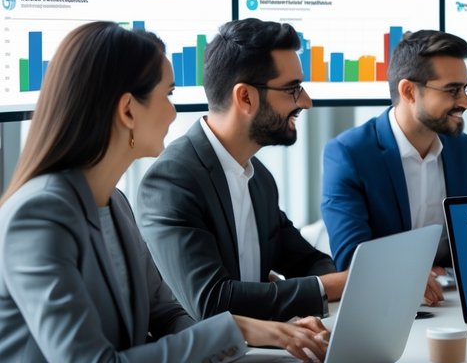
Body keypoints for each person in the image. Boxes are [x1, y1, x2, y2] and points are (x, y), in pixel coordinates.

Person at [0, 22, 330, 363]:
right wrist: (239, 329)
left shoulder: (114, 204)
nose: (178, 112)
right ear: (128, 110)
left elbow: (170, 316)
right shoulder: (39, 214)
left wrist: (271, 347)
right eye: (169, 95)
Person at [138, 19, 344, 323]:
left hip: (266, 352)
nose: (306, 101)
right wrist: (327, 286)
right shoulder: (172, 181)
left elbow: (310, 261)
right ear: (245, 97)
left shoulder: (258, 177)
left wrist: (315, 286)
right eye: (292, 89)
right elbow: (212, 302)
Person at [321, 30, 467, 306]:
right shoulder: (349, 153)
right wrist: (412, 274)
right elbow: (352, 258)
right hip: (383, 305)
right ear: (408, 91)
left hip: (451, 300)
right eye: (452, 90)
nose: (464, 102)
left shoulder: (464, 149)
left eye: (465, 89)